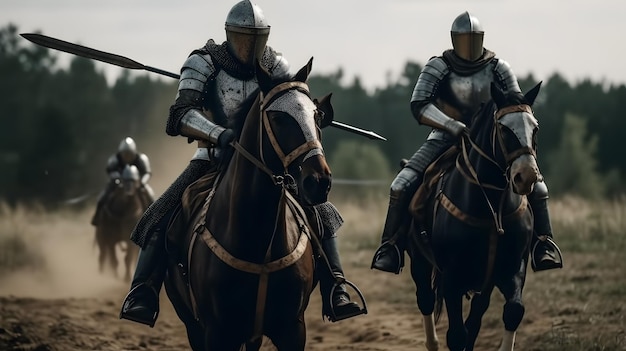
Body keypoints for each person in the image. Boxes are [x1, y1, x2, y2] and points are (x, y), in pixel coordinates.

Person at [119, 0, 361, 327]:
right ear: (230, 35)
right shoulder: (203, 62)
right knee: (160, 214)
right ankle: (143, 292)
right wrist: (218, 134)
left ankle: (335, 285)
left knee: (322, 212)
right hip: (212, 159)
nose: (250, 46)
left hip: (268, 164)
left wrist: (312, 115)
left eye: (256, 39)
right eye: (244, 38)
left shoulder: (276, 65)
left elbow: (291, 102)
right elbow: (180, 114)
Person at [371, 11, 563, 274]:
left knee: (538, 188)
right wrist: (452, 125)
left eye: (474, 39)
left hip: (492, 141)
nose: (470, 44)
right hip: (444, 138)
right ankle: (391, 247)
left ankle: (543, 244)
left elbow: (515, 103)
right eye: (465, 39)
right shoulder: (439, 66)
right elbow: (420, 104)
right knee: (401, 184)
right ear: (455, 39)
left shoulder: (499, 67)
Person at [91, 136, 155, 226]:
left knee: (151, 197)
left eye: (129, 154)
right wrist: (117, 179)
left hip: (137, 183)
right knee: (103, 197)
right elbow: (110, 171)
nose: (127, 157)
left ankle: (154, 221)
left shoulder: (141, 159)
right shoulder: (115, 159)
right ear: (121, 153)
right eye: (125, 154)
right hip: (118, 183)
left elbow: (147, 172)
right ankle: (97, 218)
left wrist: (141, 183)